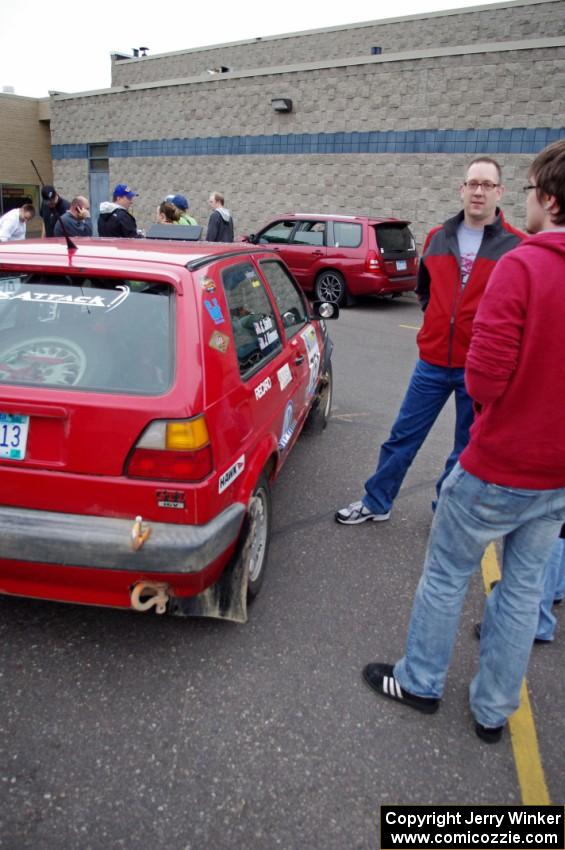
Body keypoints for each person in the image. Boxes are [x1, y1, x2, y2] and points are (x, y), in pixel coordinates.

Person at [362, 140, 565, 744]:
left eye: (527, 190)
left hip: (499, 466)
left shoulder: (522, 264)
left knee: (448, 573)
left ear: (547, 199)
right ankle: (492, 710)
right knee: (524, 590)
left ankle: (421, 682)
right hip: (555, 481)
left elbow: (483, 381)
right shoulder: (445, 240)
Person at [336, 157, 523, 525]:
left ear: (500, 192)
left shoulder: (516, 246)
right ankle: (377, 501)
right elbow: (424, 291)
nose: (479, 191)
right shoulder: (439, 237)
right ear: (462, 189)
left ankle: (446, 512)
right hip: (433, 361)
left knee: (465, 449)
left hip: (480, 367)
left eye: (487, 185)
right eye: (473, 183)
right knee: (402, 436)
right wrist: (439, 323)